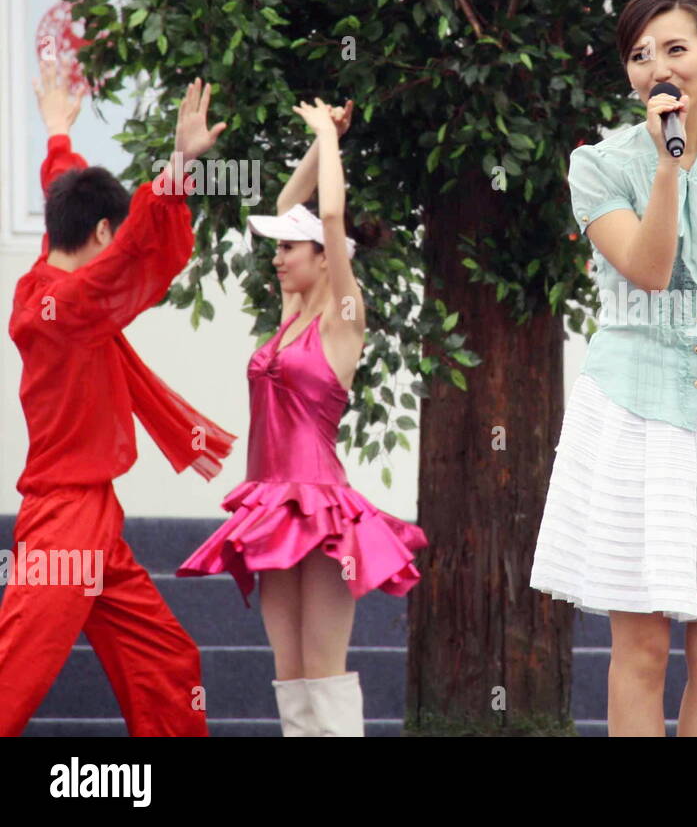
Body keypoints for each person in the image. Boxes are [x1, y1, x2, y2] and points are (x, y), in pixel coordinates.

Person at [528, 0, 697, 737]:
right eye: (640, 56)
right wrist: (667, 164)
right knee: (642, 648)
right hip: (634, 408)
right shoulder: (601, 165)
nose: (657, 67)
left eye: (675, 49)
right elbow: (647, 269)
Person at [177, 98, 428, 737]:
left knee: (323, 669)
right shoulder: (288, 315)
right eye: (279, 248)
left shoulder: (342, 319)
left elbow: (331, 212)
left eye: (291, 248)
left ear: (324, 258)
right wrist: (323, 144)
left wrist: (328, 137)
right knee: (288, 674)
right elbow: (295, 200)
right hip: (271, 501)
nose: (278, 257)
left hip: (319, 506)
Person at [0, 67, 235, 737]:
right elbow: (133, 250)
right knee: (14, 677)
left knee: (165, 661)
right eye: (115, 231)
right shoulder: (67, 304)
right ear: (102, 233)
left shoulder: (50, 272)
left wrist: (58, 130)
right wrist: (180, 167)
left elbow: (67, 195)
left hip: (92, 514)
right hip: (64, 520)